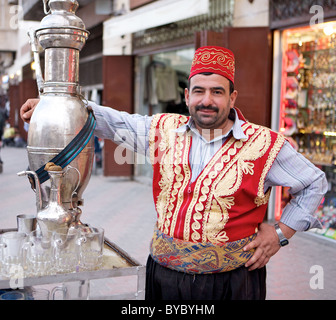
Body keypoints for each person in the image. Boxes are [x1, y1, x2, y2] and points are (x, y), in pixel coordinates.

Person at [20, 46, 327, 300]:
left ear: (232, 98)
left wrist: (280, 233)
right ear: (186, 95)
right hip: (162, 278)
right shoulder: (164, 130)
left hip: (231, 284)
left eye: (217, 92)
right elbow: (112, 122)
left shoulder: (265, 144)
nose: (207, 101)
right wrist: (52, 105)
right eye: (199, 91)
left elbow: (315, 182)